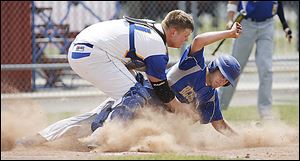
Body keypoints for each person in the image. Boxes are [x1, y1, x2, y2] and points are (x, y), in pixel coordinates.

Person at [16, 21, 242, 147]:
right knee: (93, 119)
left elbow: (218, 123)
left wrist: (243, 140)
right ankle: (41, 137)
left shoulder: (211, 97)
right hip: (138, 97)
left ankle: (99, 139)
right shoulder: (193, 65)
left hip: (151, 117)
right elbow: (199, 40)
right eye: (222, 74)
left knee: (132, 133)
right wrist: (229, 33)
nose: (223, 81)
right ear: (213, 67)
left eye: (226, 81)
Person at [68, 9, 196, 117]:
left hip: (80, 49)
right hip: (94, 54)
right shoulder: (157, 46)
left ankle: (54, 134)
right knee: (135, 96)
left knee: (130, 92)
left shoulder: (151, 29)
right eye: (185, 36)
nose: (186, 40)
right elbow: (160, 87)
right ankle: (104, 136)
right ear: (173, 32)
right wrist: (179, 107)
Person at [219, 1, 293, 120]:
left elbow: (277, 3)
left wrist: (285, 25)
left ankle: (265, 112)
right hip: (246, 24)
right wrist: (230, 19)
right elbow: (233, 2)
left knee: (266, 69)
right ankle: (217, 107)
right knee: (233, 68)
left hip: (267, 24)